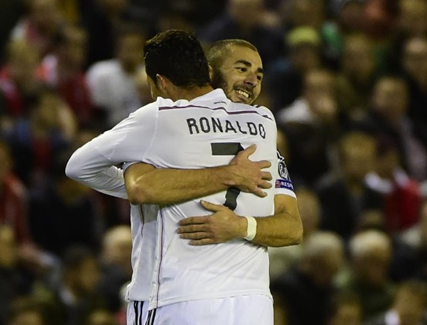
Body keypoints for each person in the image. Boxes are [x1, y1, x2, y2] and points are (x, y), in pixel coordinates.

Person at [66, 30, 302, 324]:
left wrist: (238, 223)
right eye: (241, 69)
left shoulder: (158, 118)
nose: (251, 80)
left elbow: (82, 168)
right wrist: (228, 178)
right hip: (251, 304)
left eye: (258, 74)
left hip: (178, 296)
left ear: (160, 82)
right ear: (210, 73)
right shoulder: (264, 123)